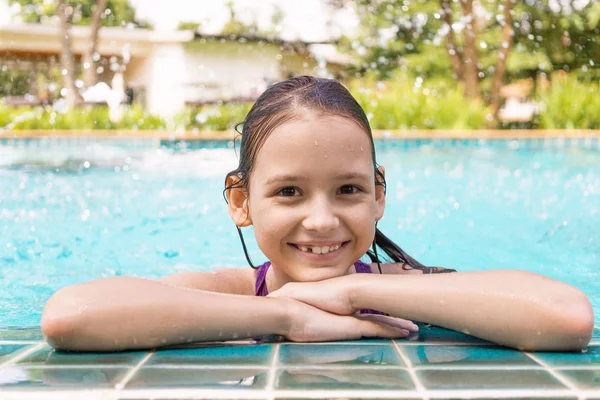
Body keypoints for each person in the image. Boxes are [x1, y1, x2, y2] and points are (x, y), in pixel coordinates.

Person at [41, 76, 594, 352]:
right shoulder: (229, 291)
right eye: (288, 193)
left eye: (349, 189)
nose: (323, 220)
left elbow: (566, 317)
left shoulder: (401, 287)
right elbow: (70, 316)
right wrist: (284, 317)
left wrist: (353, 293)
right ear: (241, 202)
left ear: (379, 196)